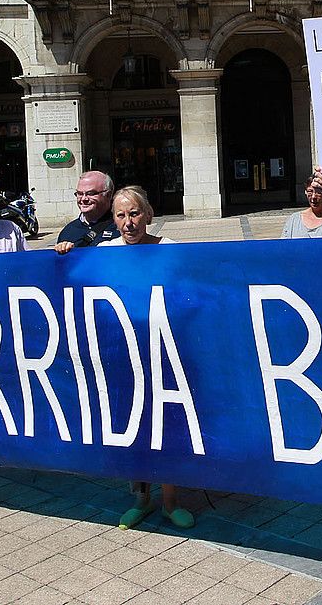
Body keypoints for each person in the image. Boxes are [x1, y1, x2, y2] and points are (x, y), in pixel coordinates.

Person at [96, 186, 196, 530]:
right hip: (123, 359)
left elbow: (188, 295)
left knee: (166, 427)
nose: (128, 222)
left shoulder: (168, 250)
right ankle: (141, 498)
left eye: (134, 213)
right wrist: (63, 251)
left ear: (148, 215)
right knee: (133, 427)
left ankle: (170, 502)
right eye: (121, 215)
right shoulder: (104, 253)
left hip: (164, 356)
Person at [54, 171, 119, 254]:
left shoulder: (123, 227)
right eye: (80, 194)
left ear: (108, 195)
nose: (84, 199)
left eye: (90, 193)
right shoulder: (68, 232)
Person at [280, 172, 322, 239]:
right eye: (310, 191)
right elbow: (284, 245)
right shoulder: (294, 219)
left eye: (318, 192)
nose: (313, 196)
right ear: (305, 192)